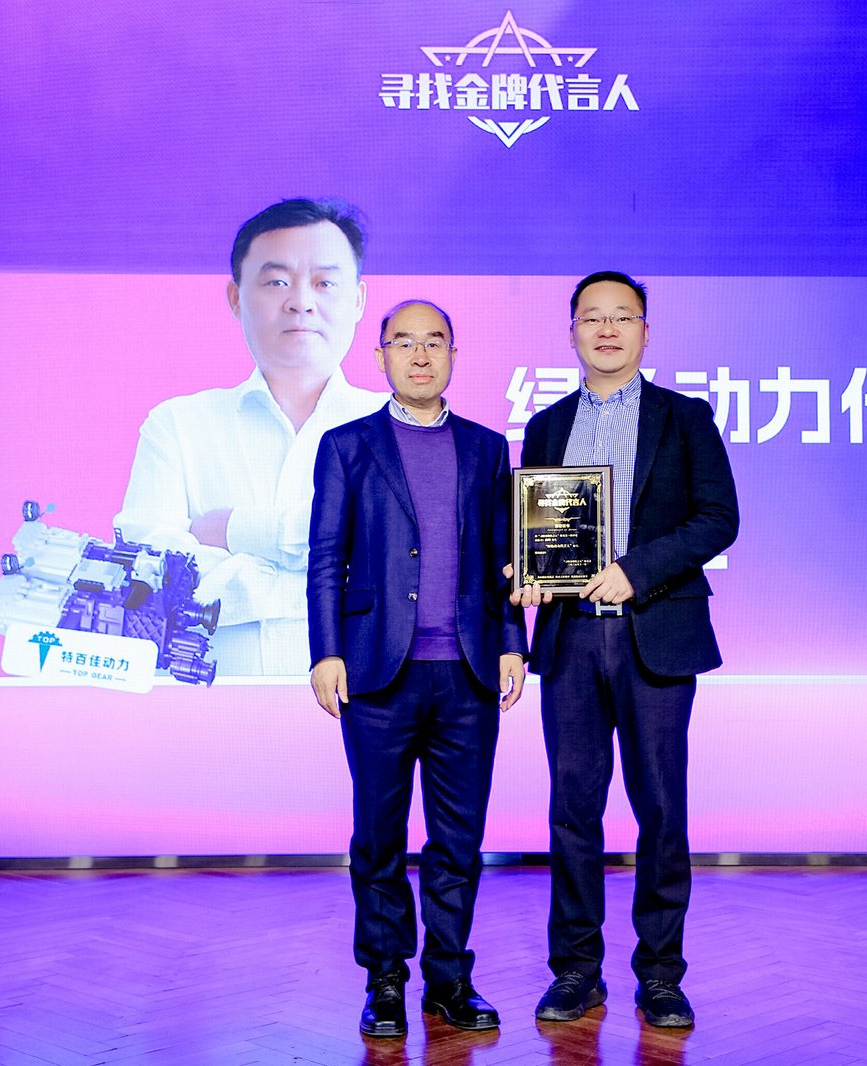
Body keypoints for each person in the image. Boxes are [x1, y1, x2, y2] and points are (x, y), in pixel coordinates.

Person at [511, 271, 739, 1029]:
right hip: (571, 637)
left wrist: (635, 571)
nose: (606, 330)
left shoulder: (685, 417)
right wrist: (528, 572)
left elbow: (718, 519)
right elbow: (537, 528)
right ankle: (576, 971)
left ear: (646, 331)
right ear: (572, 331)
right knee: (572, 809)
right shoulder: (546, 425)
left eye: (622, 317)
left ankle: (661, 975)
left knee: (661, 809)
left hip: (657, 634)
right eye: (592, 318)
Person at [308, 300, 528, 1038]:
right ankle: (385, 979)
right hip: (377, 672)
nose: (421, 355)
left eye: (435, 342)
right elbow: (325, 557)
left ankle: (449, 979)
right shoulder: (347, 446)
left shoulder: (487, 448)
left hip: (467, 672)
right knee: (378, 836)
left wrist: (512, 640)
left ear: (455, 355)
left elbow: (504, 555)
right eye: (404, 342)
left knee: (458, 840)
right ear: (380, 357)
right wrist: (326, 651)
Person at [115, 198, 386, 675]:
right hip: (211, 713)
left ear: (359, 300)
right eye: (277, 281)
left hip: (369, 710)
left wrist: (235, 531)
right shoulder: (177, 426)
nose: (301, 301)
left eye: (324, 283)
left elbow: (415, 570)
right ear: (236, 297)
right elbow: (149, 574)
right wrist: (331, 585)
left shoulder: (402, 430)